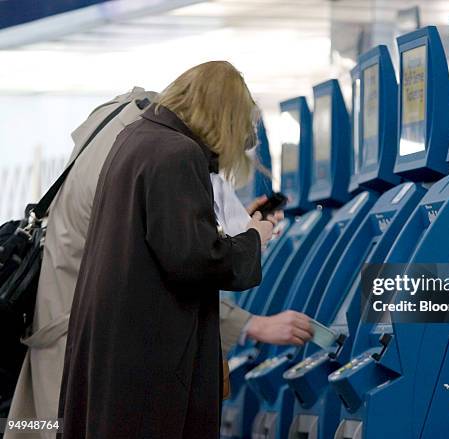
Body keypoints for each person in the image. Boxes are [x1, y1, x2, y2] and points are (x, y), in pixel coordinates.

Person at [7, 85, 312, 438]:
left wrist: (216, 230)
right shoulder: (161, 151)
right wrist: (252, 317)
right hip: (98, 352)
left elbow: (158, 240)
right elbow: (173, 264)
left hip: (67, 338)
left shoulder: (121, 126)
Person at [55, 61, 268, 438]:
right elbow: (195, 260)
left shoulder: (138, 139)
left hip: (118, 351)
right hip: (149, 363)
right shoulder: (177, 153)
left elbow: (168, 239)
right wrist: (255, 238)